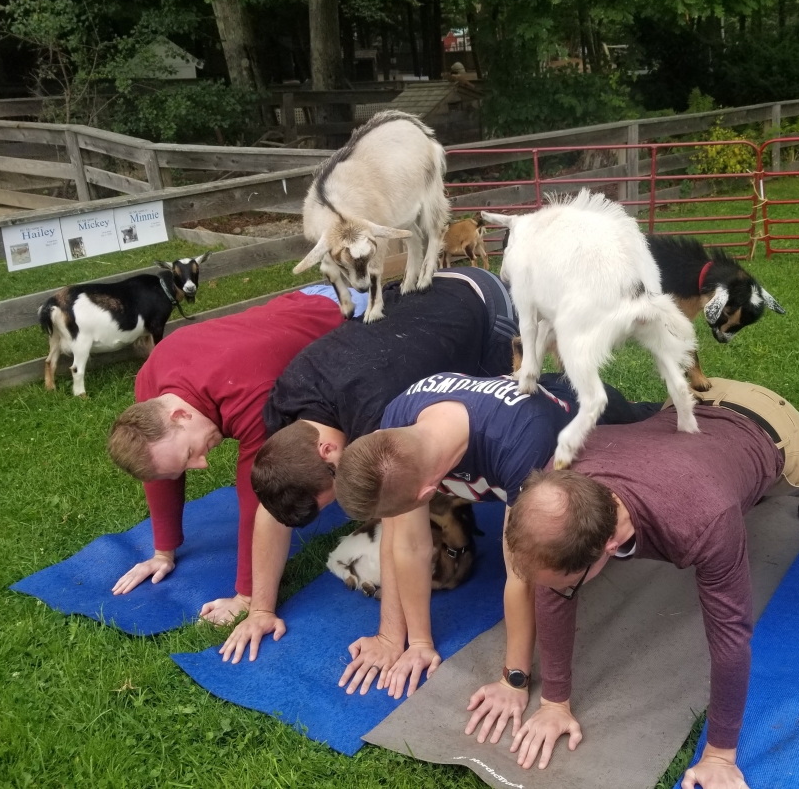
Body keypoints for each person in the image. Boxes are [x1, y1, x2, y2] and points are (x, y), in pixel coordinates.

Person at [500, 379, 799, 787]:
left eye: (567, 585)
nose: (556, 593)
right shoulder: (559, 481)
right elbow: (552, 582)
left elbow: (731, 636)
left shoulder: (703, 520)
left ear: (609, 546)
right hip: (689, 401)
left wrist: (719, 755)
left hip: (769, 424)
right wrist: (554, 701)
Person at [218, 266, 518, 663]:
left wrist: (391, 638)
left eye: (336, 490)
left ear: (327, 452)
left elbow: (406, 533)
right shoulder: (285, 406)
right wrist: (259, 609)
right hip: (417, 298)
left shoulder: (379, 416)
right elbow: (275, 503)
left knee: (498, 421)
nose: (346, 498)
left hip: (484, 306)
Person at [330, 371, 659, 704]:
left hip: (595, 416)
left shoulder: (518, 442)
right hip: (527, 400)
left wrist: (513, 680)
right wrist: (402, 640)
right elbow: (405, 542)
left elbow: (523, 569)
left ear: (430, 494)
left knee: (659, 424)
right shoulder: (396, 425)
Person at [105, 283, 367, 623]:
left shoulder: (253, 400)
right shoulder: (150, 385)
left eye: (190, 455)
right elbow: (161, 470)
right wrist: (162, 552)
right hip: (296, 304)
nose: (202, 464)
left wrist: (246, 596)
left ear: (179, 415)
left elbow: (259, 501)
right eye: (187, 462)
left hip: (350, 312)